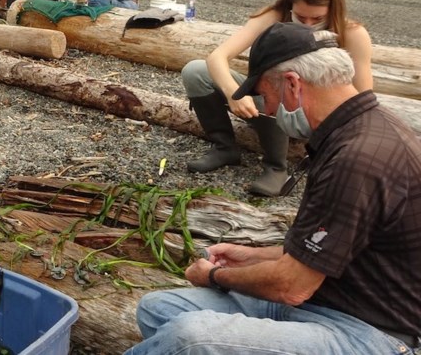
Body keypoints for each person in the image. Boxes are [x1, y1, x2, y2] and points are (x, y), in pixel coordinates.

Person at [127, 22, 421, 354]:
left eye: (266, 95)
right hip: (325, 297)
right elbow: (325, 250)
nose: (267, 110)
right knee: (158, 309)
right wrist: (251, 257)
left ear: (293, 84)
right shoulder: (355, 127)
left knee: (191, 337)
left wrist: (214, 277)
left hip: (369, 330)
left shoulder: (358, 158)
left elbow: (291, 286)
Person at [180, 0, 372, 196]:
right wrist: (233, 93)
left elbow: (362, 96)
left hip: (317, 115)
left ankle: (276, 166)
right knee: (196, 72)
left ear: (333, 11)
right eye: (301, 17)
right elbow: (217, 57)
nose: (308, 25)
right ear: (290, 6)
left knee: (283, 88)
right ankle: (224, 147)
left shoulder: (352, 33)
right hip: (269, 103)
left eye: (318, 19)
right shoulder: (274, 17)